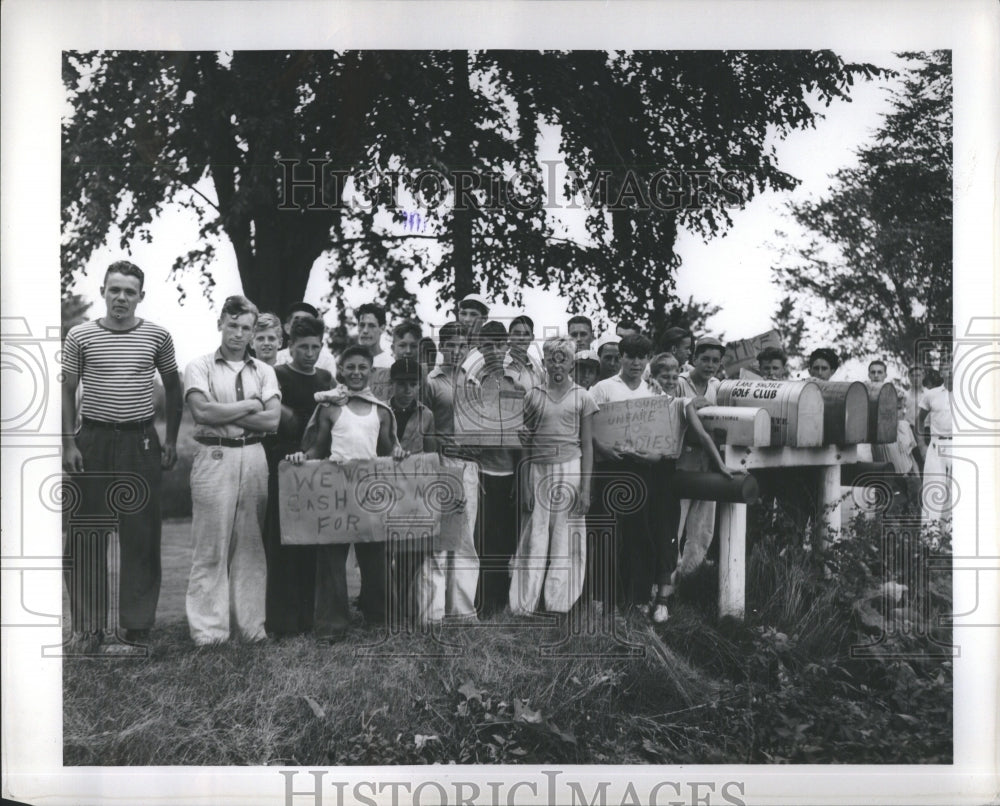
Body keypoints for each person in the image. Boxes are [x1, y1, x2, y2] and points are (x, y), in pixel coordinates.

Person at [61, 260, 182, 649]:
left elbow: (174, 389)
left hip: (140, 441)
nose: (121, 298)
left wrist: (172, 440)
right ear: (103, 292)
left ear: (140, 297)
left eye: (130, 291)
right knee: (86, 533)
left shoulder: (157, 336)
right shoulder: (80, 335)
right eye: (115, 289)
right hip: (93, 440)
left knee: (142, 534)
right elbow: (66, 391)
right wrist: (69, 442)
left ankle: (137, 624)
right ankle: (90, 627)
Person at [288, 344, 404, 643]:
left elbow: (388, 450)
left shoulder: (381, 411)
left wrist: (399, 452)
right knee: (330, 561)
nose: (355, 373)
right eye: (350, 367)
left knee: (376, 560)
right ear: (341, 370)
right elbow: (317, 447)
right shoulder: (330, 408)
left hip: (369, 494)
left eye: (362, 368)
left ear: (371, 371)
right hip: (335, 492)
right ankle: (331, 625)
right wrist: (303, 457)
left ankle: (379, 619)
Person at [184, 295, 280, 645]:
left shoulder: (264, 370)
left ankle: (252, 629)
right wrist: (248, 405)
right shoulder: (200, 366)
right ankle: (209, 634)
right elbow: (203, 413)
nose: (238, 334)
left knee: (251, 547)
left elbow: (272, 421)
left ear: (254, 333)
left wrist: (227, 409)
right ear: (220, 323)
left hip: (253, 456)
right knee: (210, 547)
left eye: (246, 328)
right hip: (215, 456)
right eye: (233, 325)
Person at [509, 336, 596, 615]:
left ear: (572, 363)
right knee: (534, 535)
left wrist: (585, 489)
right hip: (538, 469)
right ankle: (524, 602)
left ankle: (558, 602)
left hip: (570, 468)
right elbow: (525, 442)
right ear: (544, 362)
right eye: (552, 359)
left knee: (564, 537)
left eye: (564, 359)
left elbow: (588, 444)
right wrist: (524, 485)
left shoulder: (582, 396)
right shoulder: (533, 394)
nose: (557, 364)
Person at [648, 353, 733, 622]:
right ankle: (646, 593)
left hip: (668, 470)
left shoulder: (683, 402)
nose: (671, 381)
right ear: (654, 378)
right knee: (654, 531)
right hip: (644, 468)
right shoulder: (646, 400)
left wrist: (720, 464)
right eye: (665, 377)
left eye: (674, 377)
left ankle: (669, 593)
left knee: (674, 532)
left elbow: (705, 436)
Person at [264, 314, 333, 638]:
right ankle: (281, 621)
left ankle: (309, 618)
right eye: (303, 346)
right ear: (290, 347)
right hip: (284, 461)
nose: (309, 352)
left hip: (316, 464)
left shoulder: (326, 378)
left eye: (315, 346)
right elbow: (273, 416)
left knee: (311, 543)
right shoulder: (277, 374)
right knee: (282, 542)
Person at [589, 333, 664, 614]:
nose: (635, 362)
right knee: (606, 532)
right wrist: (603, 449)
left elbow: (661, 441)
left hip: (641, 469)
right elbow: (589, 431)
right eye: (629, 356)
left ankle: (639, 598)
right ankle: (601, 598)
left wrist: (651, 456)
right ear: (621, 357)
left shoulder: (654, 392)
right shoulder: (602, 389)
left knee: (639, 533)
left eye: (641, 357)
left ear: (647, 360)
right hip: (609, 466)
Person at [418, 322, 481, 623]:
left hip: (469, 466)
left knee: (466, 538)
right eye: (450, 345)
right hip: (441, 464)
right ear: (441, 347)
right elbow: (423, 427)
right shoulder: (430, 381)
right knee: (440, 539)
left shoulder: (475, 382)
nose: (456, 351)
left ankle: (464, 610)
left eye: (462, 345)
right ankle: (433, 612)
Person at [465, 321, 522, 616]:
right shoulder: (472, 383)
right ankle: (480, 601)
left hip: (508, 473)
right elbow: (466, 431)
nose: (494, 351)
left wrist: (518, 477)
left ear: (507, 347)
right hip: (481, 473)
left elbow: (522, 436)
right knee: (480, 540)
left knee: (503, 541)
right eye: (488, 345)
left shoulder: (515, 383)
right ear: (480, 348)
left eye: (500, 345)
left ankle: (499, 601)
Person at [386, 357, 437, 625]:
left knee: (411, 553)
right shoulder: (381, 411)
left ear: (419, 386)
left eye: (413, 385)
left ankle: (406, 609)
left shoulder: (426, 415)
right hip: (385, 487)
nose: (407, 390)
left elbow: (432, 455)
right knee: (385, 551)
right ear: (392, 384)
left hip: (415, 490)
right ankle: (385, 608)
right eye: (402, 384)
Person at [673, 337, 725, 587]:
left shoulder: (717, 386)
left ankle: (690, 581)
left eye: (715, 360)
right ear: (694, 359)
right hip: (682, 460)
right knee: (675, 526)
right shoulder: (680, 383)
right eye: (705, 359)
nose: (710, 365)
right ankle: (666, 584)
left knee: (703, 528)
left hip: (708, 459)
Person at [917, 367, 952, 532]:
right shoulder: (931, 394)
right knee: (933, 490)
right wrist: (922, 446)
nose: (950, 370)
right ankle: (930, 537)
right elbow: (919, 420)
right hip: (936, 446)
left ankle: (951, 537)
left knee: (956, 491)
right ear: (941, 372)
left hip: (960, 447)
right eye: (946, 367)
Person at [276, 302, 339, 375]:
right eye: (296, 321)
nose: (302, 325)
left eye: (308, 321)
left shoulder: (326, 359)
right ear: (287, 327)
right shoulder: (278, 358)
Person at [370, 319, 423, 401]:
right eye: (402, 345)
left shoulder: (425, 380)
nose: (408, 351)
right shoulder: (377, 377)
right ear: (393, 348)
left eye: (413, 346)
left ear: (420, 349)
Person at [505, 314, 545, 391]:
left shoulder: (538, 368)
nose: (522, 338)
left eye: (526, 334)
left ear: (532, 337)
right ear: (509, 336)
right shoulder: (500, 363)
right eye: (517, 334)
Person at [355, 302, 393, 368]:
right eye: (362, 325)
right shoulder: (350, 362)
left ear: (382, 328)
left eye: (371, 326)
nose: (365, 331)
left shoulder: (389, 364)